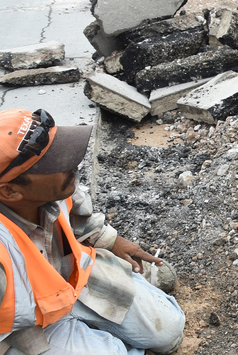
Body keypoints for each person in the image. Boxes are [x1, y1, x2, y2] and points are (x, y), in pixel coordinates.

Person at [0, 108, 185, 355]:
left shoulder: (55, 189)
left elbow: (78, 217)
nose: (71, 164)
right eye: (53, 163)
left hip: (71, 280)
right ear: (10, 191)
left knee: (169, 332)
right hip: (25, 323)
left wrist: (112, 241)